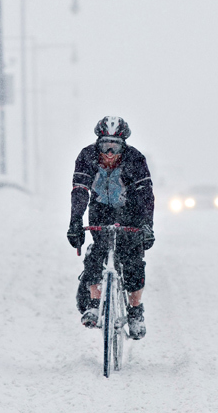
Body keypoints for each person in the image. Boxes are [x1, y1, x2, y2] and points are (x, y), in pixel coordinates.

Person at [67, 116, 155, 340]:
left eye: (114, 146)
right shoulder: (86, 156)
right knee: (95, 255)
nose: (109, 152)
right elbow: (80, 191)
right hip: (100, 210)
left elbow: (146, 195)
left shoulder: (135, 159)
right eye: (105, 144)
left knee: (133, 259)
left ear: (123, 145)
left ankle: (135, 312)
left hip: (130, 212)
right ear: (98, 142)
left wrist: (147, 225)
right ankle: (95, 304)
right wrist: (75, 221)